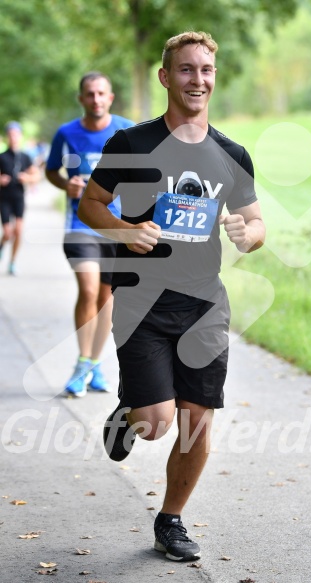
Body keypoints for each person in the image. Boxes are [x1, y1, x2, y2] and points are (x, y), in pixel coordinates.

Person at [78, 32, 266, 561]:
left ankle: (171, 520)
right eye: (185, 70)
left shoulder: (231, 154)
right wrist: (122, 231)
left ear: (214, 77)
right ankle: (130, 411)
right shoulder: (131, 144)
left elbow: (256, 223)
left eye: (205, 70)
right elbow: (92, 203)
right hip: (141, 301)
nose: (197, 80)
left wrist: (248, 235)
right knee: (156, 423)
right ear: (166, 77)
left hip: (204, 303)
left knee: (198, 417)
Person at [45, 72, 135, 397]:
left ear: (110, 98)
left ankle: (92, 363)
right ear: (81, 98)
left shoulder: (127, 129)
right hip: (81, 225)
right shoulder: (66, 133)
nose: (96, 99)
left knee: (105, 298)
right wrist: (64, 184)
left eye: (101, 94)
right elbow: (51, 169)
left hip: (116, 227)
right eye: (89, 94)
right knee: (88, 288)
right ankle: (84, 363)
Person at [0, 121, 41, 275]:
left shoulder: (25, 157)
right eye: (10, 135)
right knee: (7, 232)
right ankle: (2, 246)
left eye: (16, 135)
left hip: (18, 197)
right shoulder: (2, 157)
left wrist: (27, 178)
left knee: (18, 230)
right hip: (4, 198)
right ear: (7, 137)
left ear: (20, 136)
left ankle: (12, 262)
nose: (13, 138)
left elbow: (36, 175)